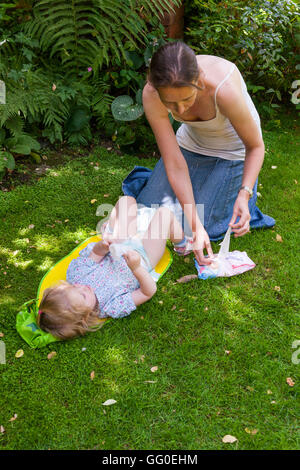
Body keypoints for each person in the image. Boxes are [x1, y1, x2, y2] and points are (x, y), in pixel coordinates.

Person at [123, 41, 275, 266]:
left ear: (199, 80)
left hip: (234, 153)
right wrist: (194, 224)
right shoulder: (152, 94)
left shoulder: (222, 90)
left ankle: (242, 202)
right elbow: (174, 162)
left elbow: (255, 146)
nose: (181, 110)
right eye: (171, 104)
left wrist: (244, 193)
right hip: (191, 145)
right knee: (149, 212)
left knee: (209, 225)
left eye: (187, 99)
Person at [37, 196, 192, 340]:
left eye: (74, 287)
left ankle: (114, 230)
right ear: (86, 316)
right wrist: (136, 267)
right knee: (164, 215)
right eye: (83, 296)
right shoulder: (112, 306)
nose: (83, 288)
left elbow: (96, 254)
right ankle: (182, 245)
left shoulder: (77, 276)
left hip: (118, 244)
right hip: (142, 256)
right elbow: (147, 292)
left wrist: (104, 246)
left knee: (126, 201)